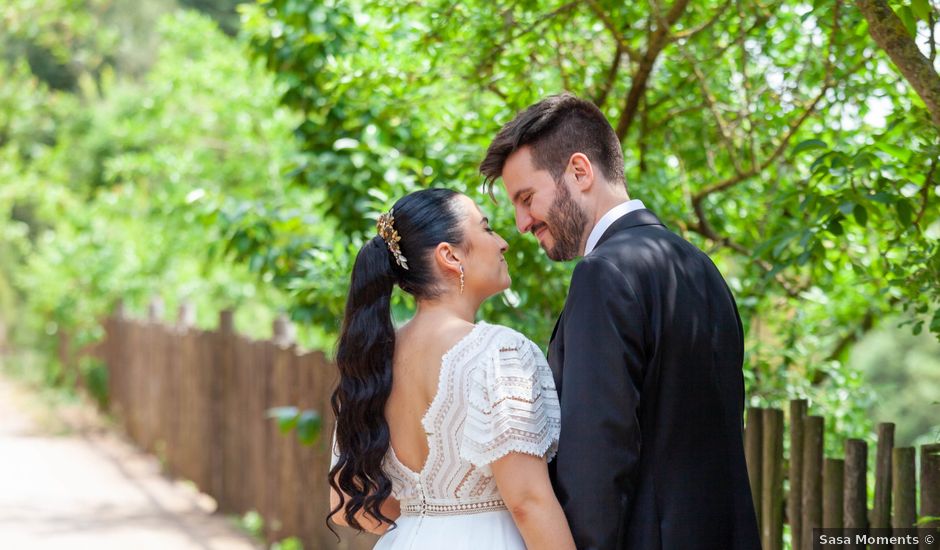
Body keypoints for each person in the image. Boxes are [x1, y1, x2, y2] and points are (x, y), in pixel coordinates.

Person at [480, 93, 762, 550]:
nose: (521, 223)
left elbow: (597, 462)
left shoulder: (603, 274)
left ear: (579, 171)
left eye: (527, 198)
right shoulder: (701, 268)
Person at [327, 188, 576, 550]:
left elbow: (345, 505)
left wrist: (424, 518)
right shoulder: (498, 352)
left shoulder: (372, 359)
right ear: (450, 255)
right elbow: (528, 502)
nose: (503, 243)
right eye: (487, 229)